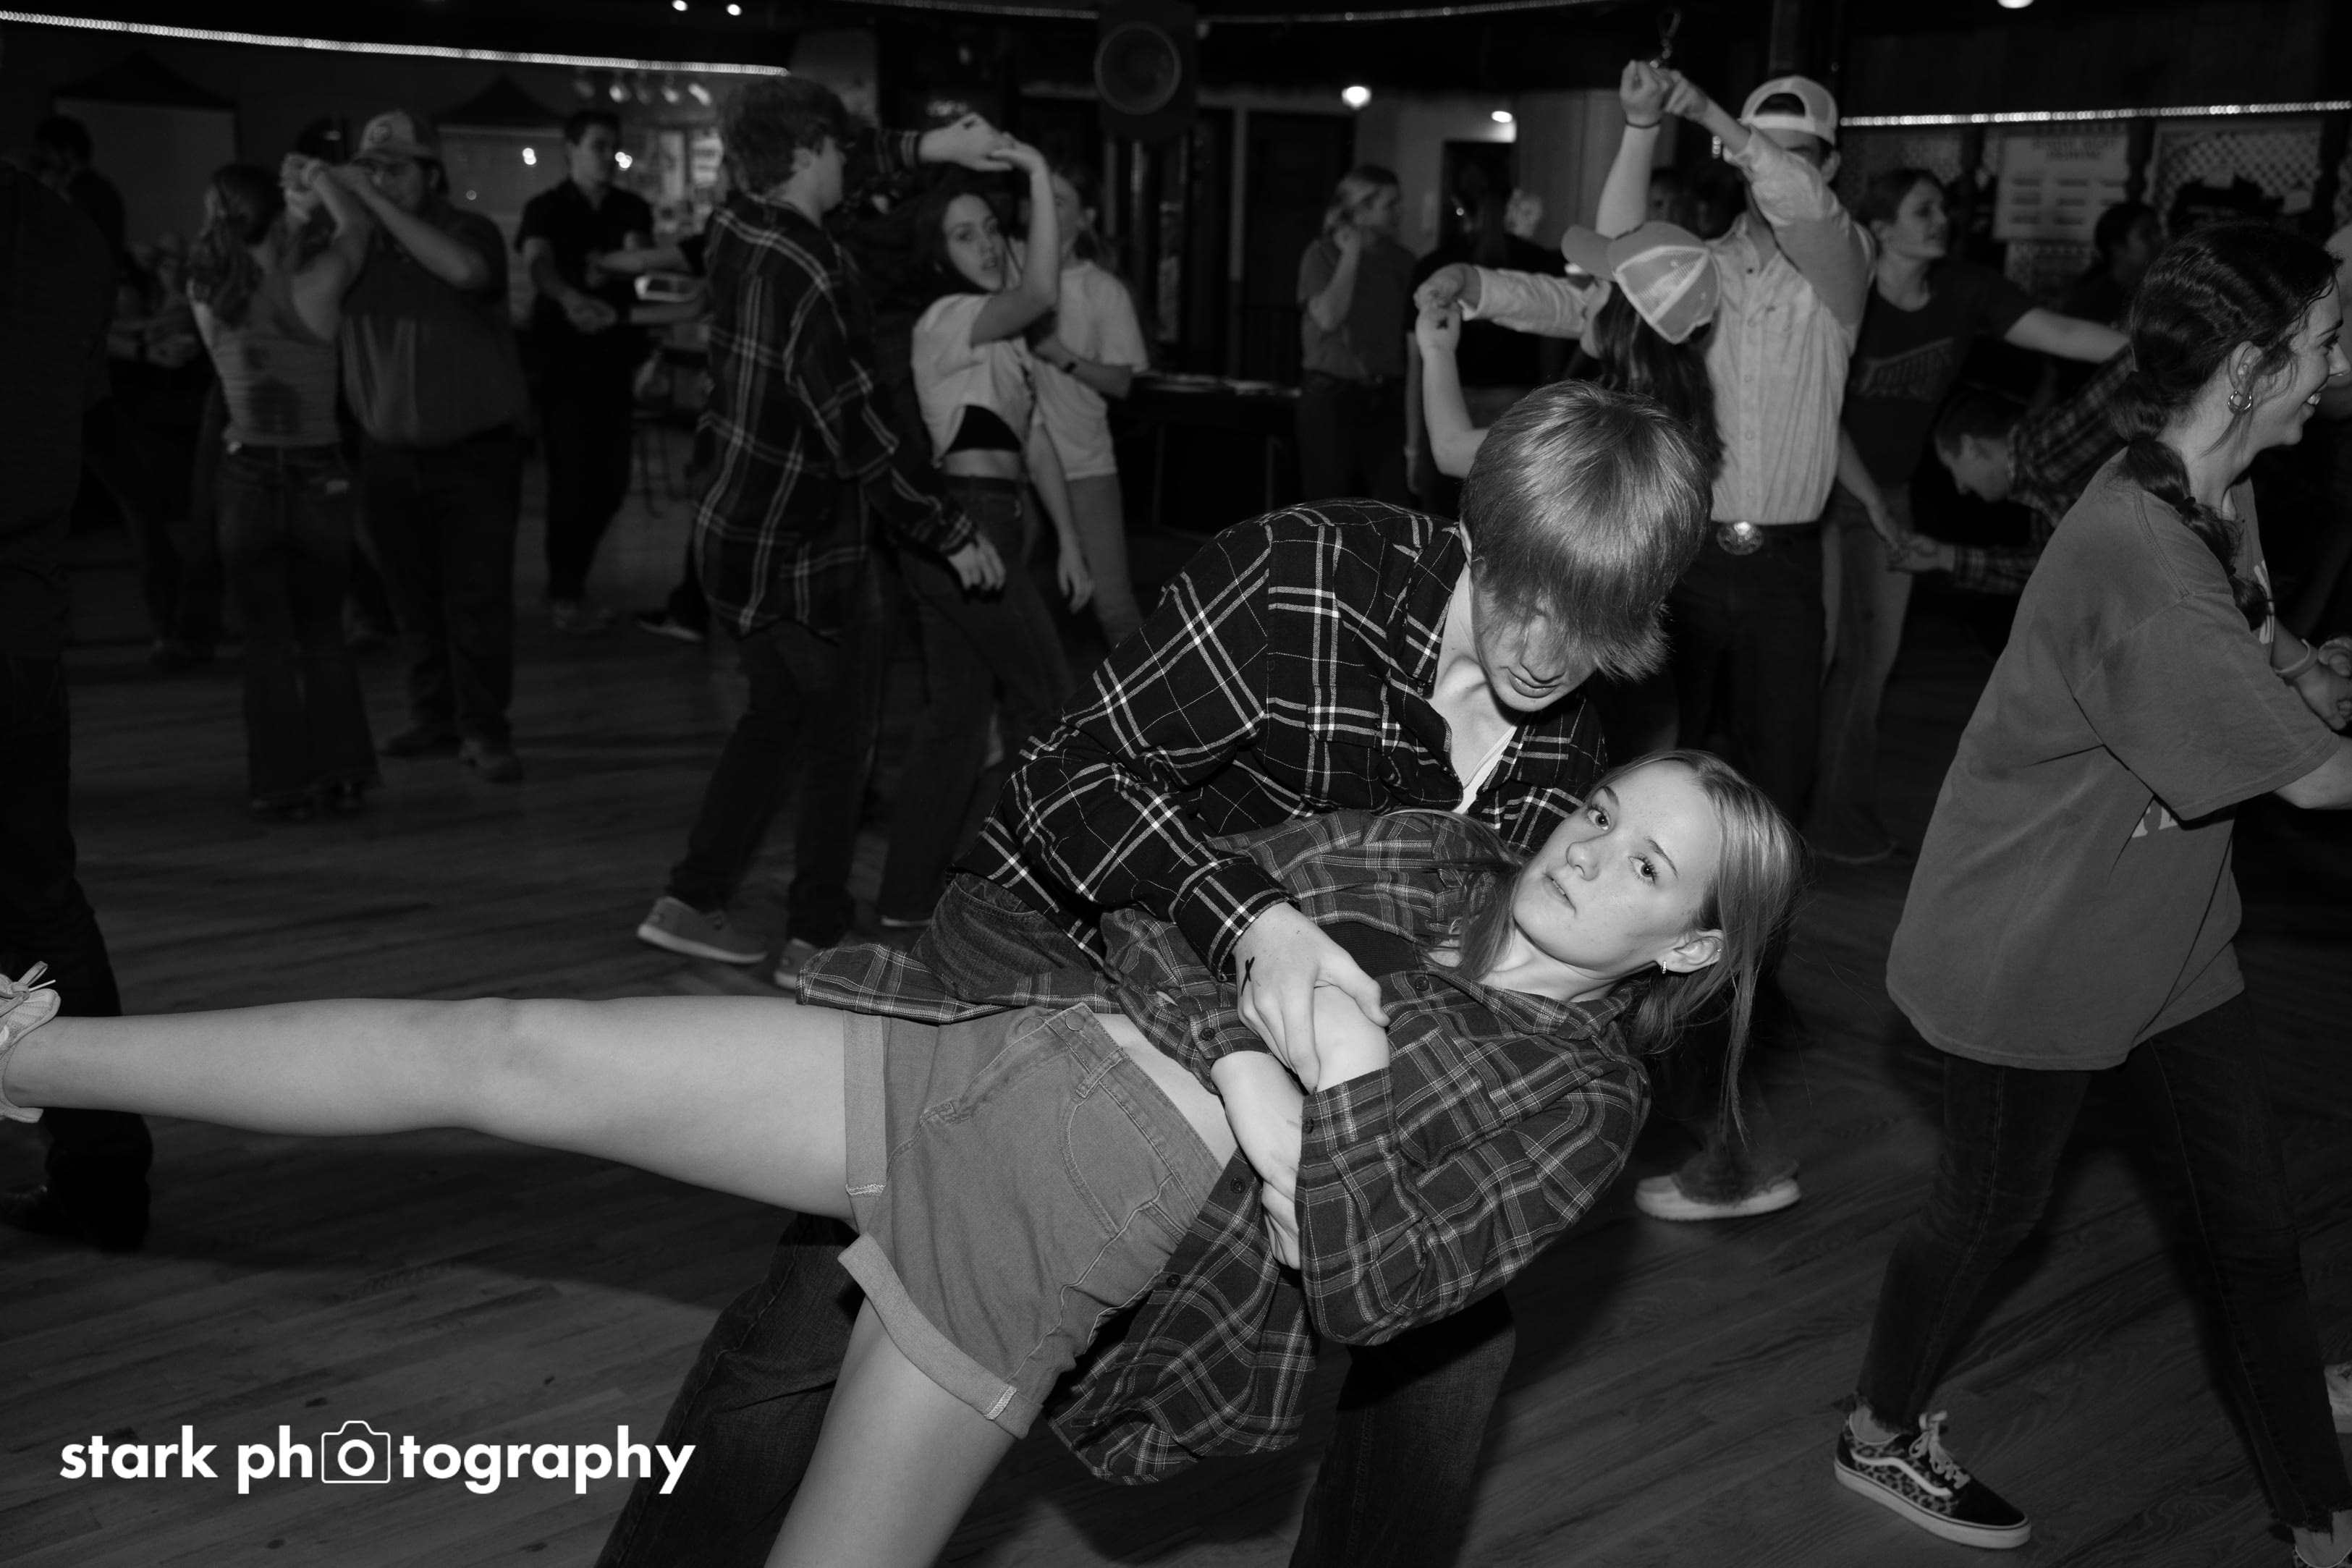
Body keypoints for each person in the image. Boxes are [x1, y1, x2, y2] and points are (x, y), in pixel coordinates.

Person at [0, 746, 1804, 1568]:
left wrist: (1306, 1057)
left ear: (1695, 946)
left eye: (1646, 866)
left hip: (1052, 1215)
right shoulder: (1427, 854)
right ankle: (27, 1056)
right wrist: (1258, 1049)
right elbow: (1159, 907)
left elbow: (1373, 1269)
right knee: (501, 1047)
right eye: (1598, 812)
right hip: (981, 1049)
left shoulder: (1575, 1099)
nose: (1586, 852)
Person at [610, 381, 1714, 1568]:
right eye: (1522, 597)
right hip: (1058, 936)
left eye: (1588, 623)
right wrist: (1253, 920)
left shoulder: (1567, 765)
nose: (1544, 653)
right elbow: (1063, 776)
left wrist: (1375, 1140)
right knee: (806, 1319)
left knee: (1451, 1360)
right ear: (1473, 528)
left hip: (1265, 1057)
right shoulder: (1306, 576)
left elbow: (1488, 1005)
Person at [1835, 224, 2352, 1561]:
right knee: (1988, 1212)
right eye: (2322, 343)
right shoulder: (2141, 549)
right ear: (2248, 368)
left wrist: (2314, 666)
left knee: (2253, 1233)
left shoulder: (2209, 489)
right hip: (2033, 945)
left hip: (2169, 934)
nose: (2337, 367)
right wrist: (2310, 703)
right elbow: (2314, 783)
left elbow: (2255, 647)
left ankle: (2318, 1511)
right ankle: (1876, 1429)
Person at [629, 79, 1010, 981]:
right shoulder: (809, 266)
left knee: (773, 720)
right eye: (838, 147)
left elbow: (856, 156)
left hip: (735, 537)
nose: (851, 161)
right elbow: (857, 428)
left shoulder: (737, 224)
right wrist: (948, 531)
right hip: (805, 549)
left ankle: (691, 897)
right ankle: (815, 941)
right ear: (806, 154)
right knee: (840, 747)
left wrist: (932, 148)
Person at [1811, 169, 2126, 863]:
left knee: (1871, 664)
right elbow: (1817, 409)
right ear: (1880, 228)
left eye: (1943, 208)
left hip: (1890, 494)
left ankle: (1837, 818)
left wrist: (2158, 350)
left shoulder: (1965, 289)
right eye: (1923, 210)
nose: (1942, 220)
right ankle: (1785, 809)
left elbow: (2060, 332)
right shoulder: (1844, 291)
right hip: (1819, 491)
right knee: (1823, 653)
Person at [0, 161, 153, 1255]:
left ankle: (99, 1172)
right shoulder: (57, 227)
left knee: (36, 901)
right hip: (19, 610)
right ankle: (102, 1176)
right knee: (37, 899)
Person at [878, 147, 1092, 930]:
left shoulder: (1003, 336)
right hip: (969, 523)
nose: (986, 244)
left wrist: (1070, 543)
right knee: (1053, 708)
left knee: (956, 727)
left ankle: (907, 905)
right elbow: (1040, 290)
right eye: (964, 235)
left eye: (991, 229)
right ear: (940, 256)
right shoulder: (950, 318)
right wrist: (1035, 172)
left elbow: (1036, 446)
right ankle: (1010, 897)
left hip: (986, 525)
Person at [334, 109, 533, 783]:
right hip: (387, 453)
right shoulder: (354, 241)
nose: (381, 181)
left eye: (396, 169)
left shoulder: (466, 229)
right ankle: (436, 717)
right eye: (371, 168)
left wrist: (369, 204)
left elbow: (468, 272)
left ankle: (485, 728)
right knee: (411, 602)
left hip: (476, 454)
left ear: (433, 175)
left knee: (477, 601)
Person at [186, 158, 378, 821]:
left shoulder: (205, 289)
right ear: (275, 216)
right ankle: (344, 773)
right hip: (317, 474)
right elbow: (358, 228)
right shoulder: (317, 282)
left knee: (265, 638)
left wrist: (286, 212)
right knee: (323, 629)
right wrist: (320, 178)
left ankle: (278, 784)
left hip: (244, 474)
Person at [518, 109, 656, 633]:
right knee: (570, 477)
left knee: (613, 480)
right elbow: (538, 263)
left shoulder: (630, 206)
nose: (608, 157)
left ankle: (569, 579)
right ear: (571, 148)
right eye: (598, 145)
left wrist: (623, 267)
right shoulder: (546, 207)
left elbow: (642, 261)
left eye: (613, 148)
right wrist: (571, 298)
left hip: (615, 357)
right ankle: (566, 589)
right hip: (563, 360)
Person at [1029, 158, 1151, 650]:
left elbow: (1121, 383)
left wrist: (1061, 356)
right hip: (1019, 465)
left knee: (1114, 605)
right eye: (1039, 197)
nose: (1043, 209)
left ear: (1085, 219)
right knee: (1000, 602)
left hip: (1083, 464)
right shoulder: (1012, 272)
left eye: (1058, 201)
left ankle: (1153, 697)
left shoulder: (1103, 290)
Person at [1901, 350, 2134, 593]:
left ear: (1971, 448)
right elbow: (2053, 571)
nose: (1960, 487)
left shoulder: (2043, 457)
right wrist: (1942, 557)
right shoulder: (2040, 493)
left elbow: (2136, 363)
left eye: (1952, 469)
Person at [1404, 174, 1560, 517]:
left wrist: (1412, 446)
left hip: (1447, 402)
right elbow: (1552, 355)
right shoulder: (1541, 262)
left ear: (1460, 207)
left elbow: (1418, 367)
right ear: (1511, 204)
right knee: (1504, 523)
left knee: (1442, 524)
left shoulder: (1432, 265)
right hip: (1518, 407)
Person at [1295, 165, 1415, 504]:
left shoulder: (1403, 261)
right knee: (1327, 507)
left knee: (1391, 505)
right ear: (1360, 211)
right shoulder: (1321, 254)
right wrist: (1351, 253)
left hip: (1385, 398)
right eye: (1390, 204)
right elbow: (1328, 317)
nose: (1400, 212)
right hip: (1331, 398)